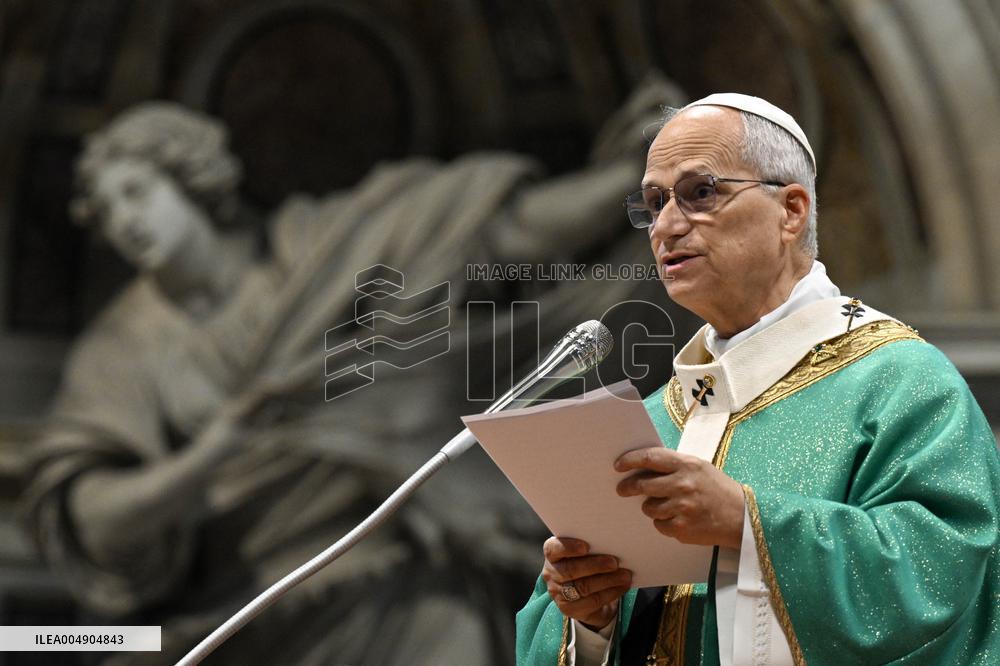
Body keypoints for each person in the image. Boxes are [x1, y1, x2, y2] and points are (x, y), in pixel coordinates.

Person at [21, 75, 685, 665]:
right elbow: (88, 520)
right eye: (107, 211)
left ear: (190, 174)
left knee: (451, 629)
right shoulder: (122, 350)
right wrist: (208, 457)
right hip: (234, 614)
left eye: (135, 192)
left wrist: (633, 180)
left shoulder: (326, 247)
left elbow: (498, 236)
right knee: (106, 651)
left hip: (386, 576)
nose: (125, 220)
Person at [516, 93, 1000, 665]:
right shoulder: (656, 417)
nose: (666, 226)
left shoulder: (899, 380)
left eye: (700, 193)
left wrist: (747, 522)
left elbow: (944, 571)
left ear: (790, 211)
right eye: (653, 203)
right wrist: (589, 616)